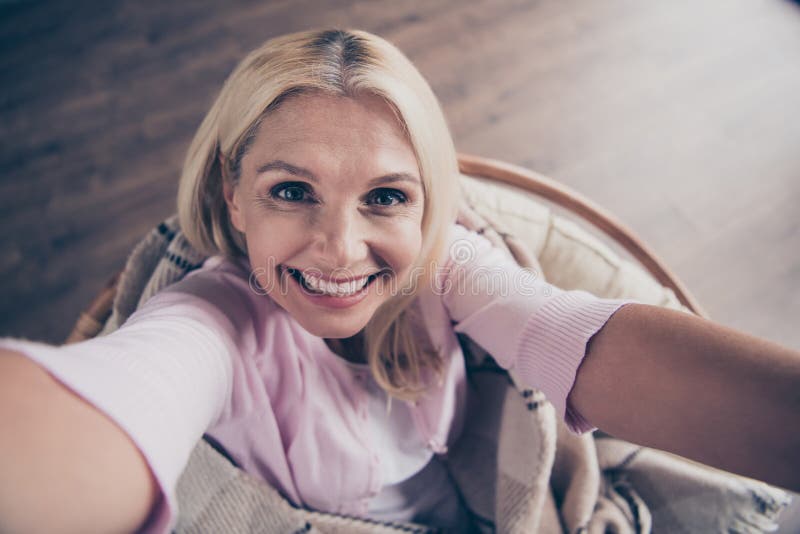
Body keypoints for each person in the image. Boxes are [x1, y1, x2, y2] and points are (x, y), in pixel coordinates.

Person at [0, 28, 798, 534]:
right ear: (231, 198)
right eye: (291, 191)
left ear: (428, 206)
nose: (341, 249)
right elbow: (121, 393)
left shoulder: (445, 262)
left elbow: (567, 335)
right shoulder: (215, 321)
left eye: (385, 197)